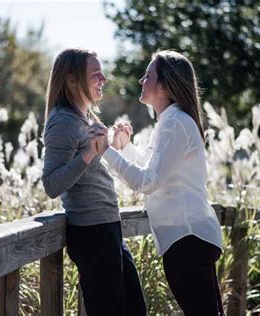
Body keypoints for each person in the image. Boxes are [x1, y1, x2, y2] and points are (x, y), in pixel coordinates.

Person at [97, 50, 224, 315]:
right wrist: (126, 148)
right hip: (189, 240)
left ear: (165, 85)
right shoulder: (171, 121)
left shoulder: (175, 123)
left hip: (188, 240)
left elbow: (148, 181)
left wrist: (104, 151)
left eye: (148, 75)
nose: (141, 81)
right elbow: (155, 167)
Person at [41, 48, 146, 316]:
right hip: (92, 233)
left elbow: (92, 168)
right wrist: (89, 153)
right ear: (73, 80)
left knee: (134, 310)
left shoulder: (86, 118)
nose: (104, 79)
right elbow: (51, 185)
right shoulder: (63, 122)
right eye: (96, 74)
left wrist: (115, 144)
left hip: (109, 227)